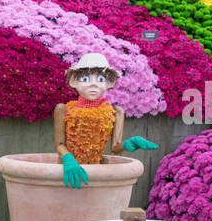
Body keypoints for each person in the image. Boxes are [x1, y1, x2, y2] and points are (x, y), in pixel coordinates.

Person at [52, 52, 157, 189]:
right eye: (85, 79)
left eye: (100, 80)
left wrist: (127, 144)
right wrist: (68, 159)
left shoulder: (115, 113)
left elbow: (115, 148)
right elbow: (59, 144)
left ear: (109, 83)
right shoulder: (64, 110)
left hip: (97, 174)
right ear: (74, 82)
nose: (94, 84)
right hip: (67, 172)